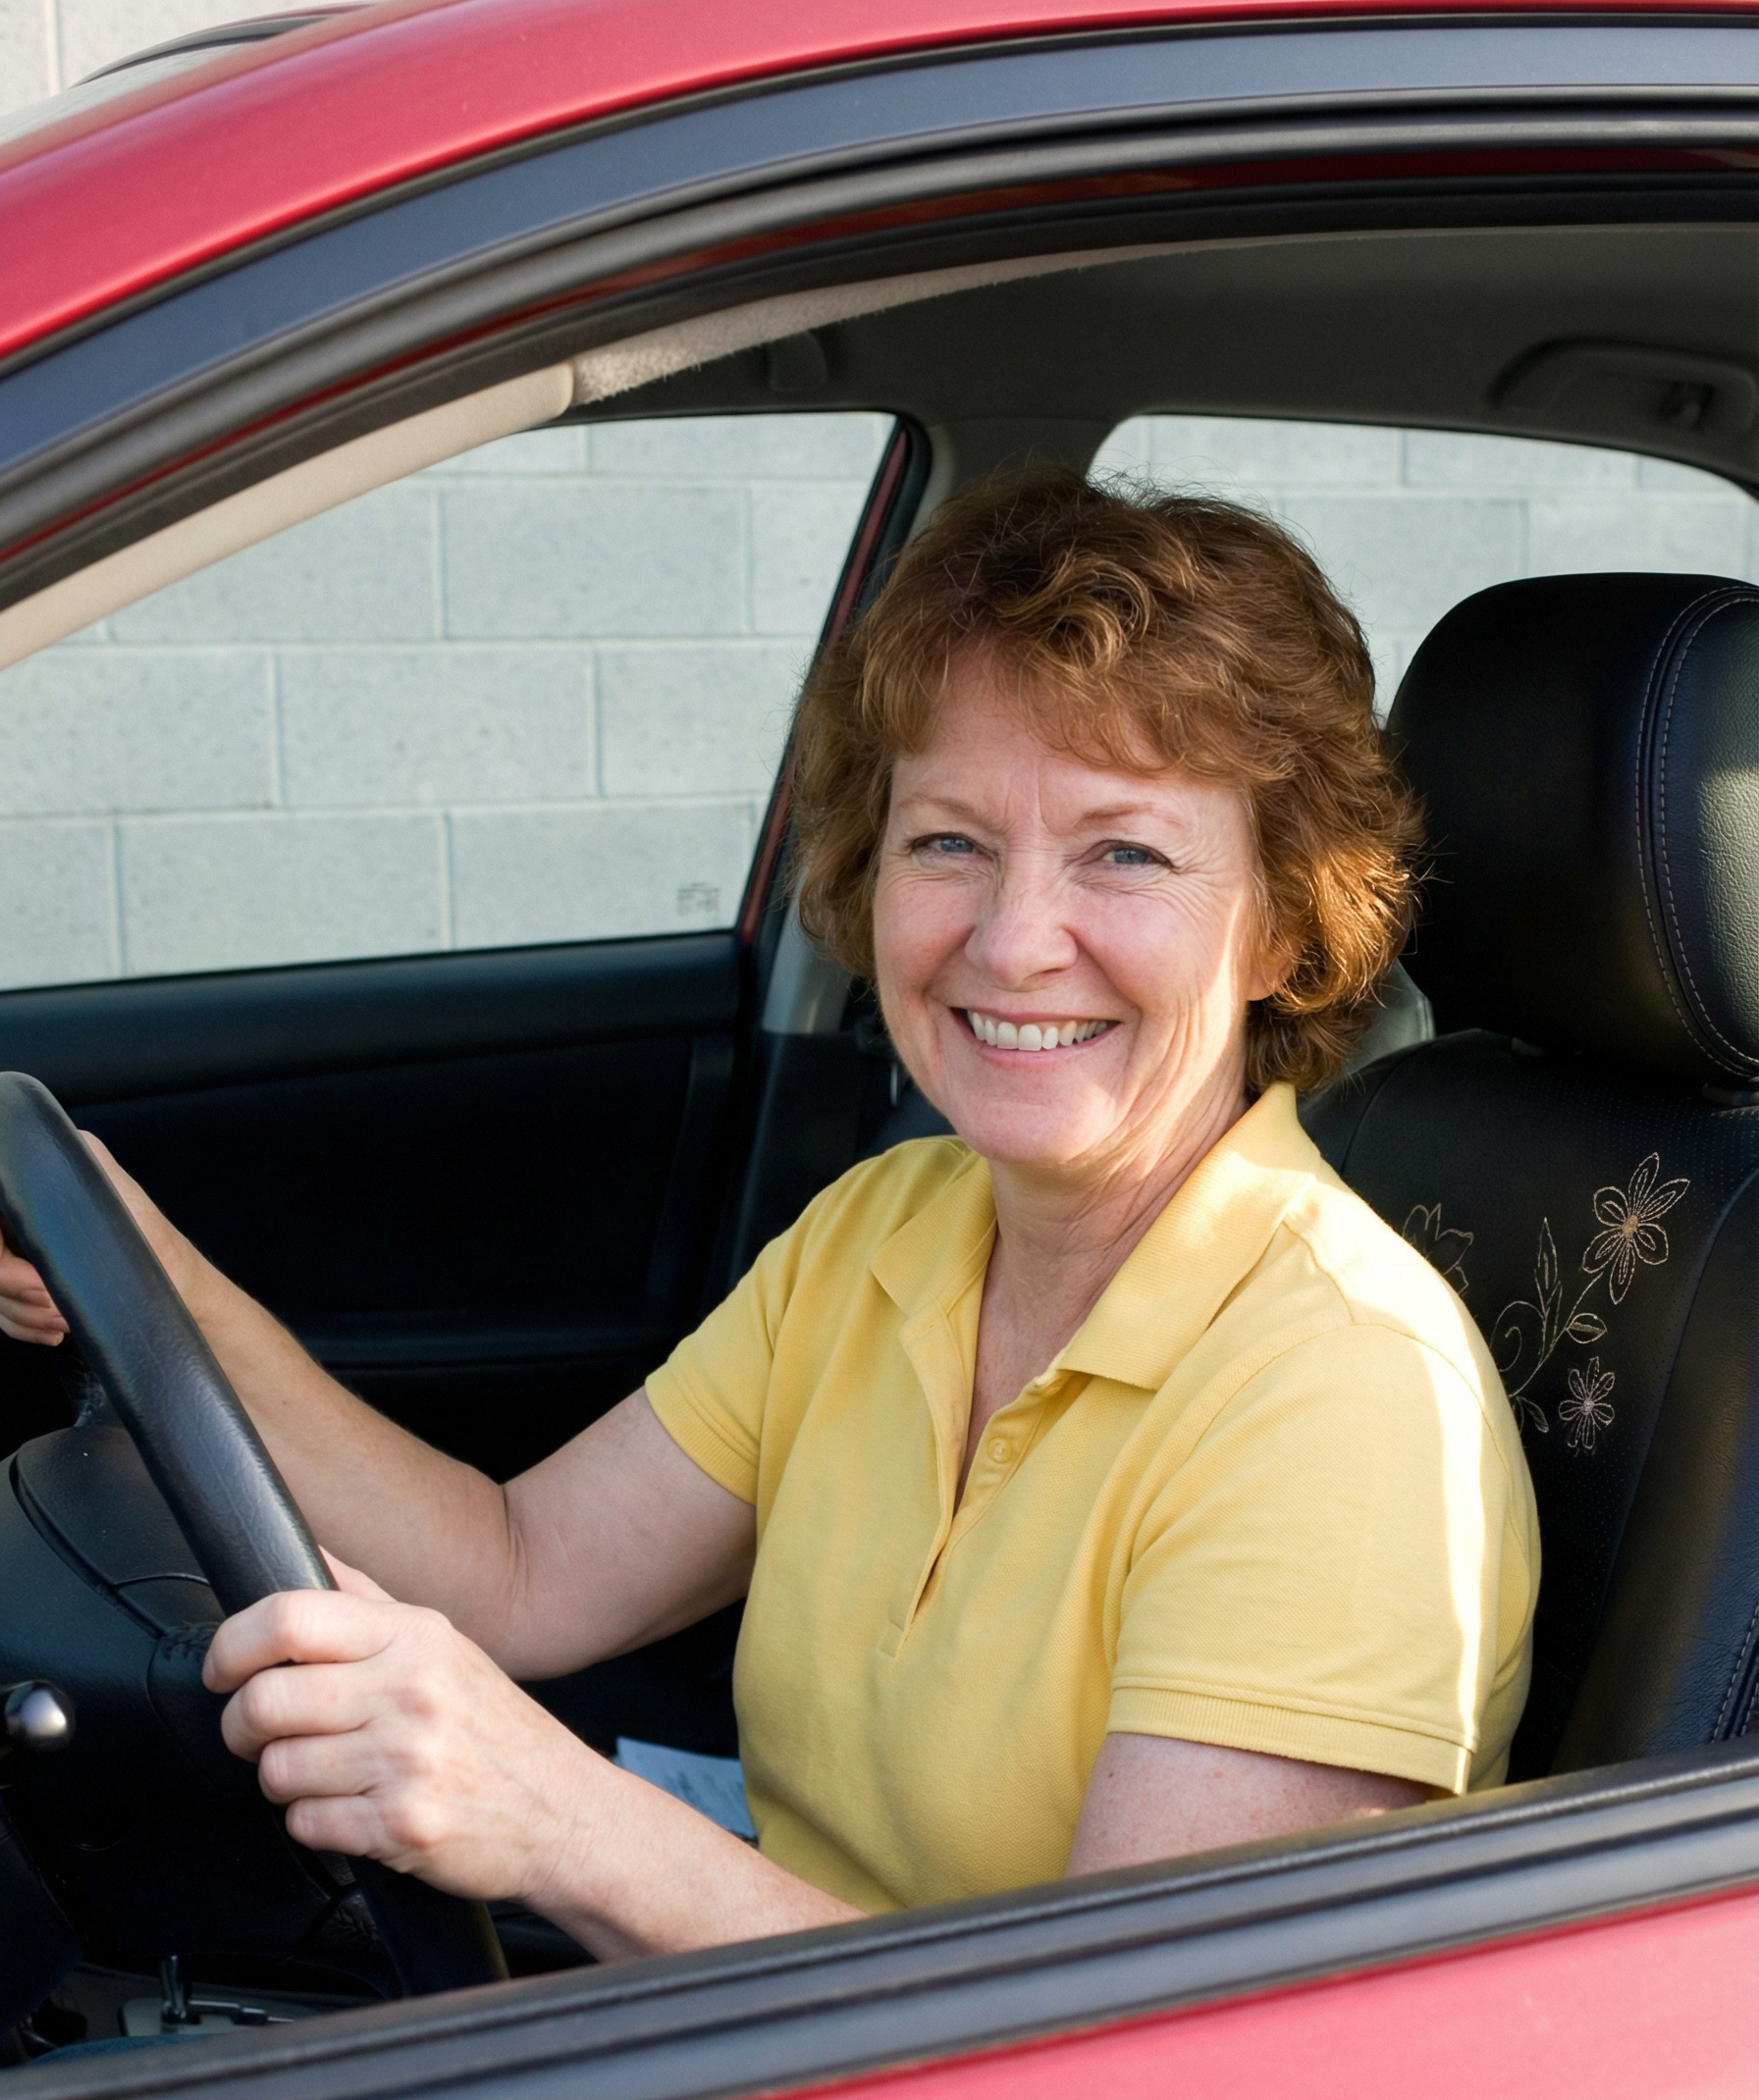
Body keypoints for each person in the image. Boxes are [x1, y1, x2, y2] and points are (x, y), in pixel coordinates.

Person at [0, 470, 1537, 1964]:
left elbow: (1112, 2083)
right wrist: (132, 1264)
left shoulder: (1341, 1398)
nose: (1012, 940)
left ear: (1281, 921)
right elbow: (519, 1567)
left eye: (1122, 852)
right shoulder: (893, 1225)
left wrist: (560, 1821)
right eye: (949, 842)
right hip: (761, 2062)